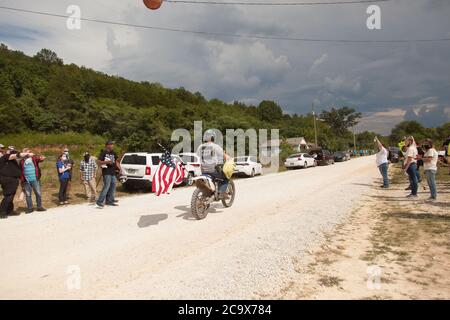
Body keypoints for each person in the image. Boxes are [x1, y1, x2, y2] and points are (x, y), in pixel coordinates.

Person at [0, 147, 34, 218]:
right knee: (8, 196)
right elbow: (16, 155)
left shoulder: (12, 161)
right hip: (8, 179)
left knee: (11, 196)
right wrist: (27, 154)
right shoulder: (5, 157)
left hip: (13, 180)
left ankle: (9, 210)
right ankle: (2, 212)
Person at [196, 130, 231, 200]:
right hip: (213, 170)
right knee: (225, 177)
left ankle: (210, 192)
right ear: (213, 137)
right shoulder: (215, 146)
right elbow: (225, 156)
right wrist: (230, 159)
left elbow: (198, 155)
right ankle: (221, 193)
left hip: (203, 171)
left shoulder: (200, 147)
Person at [20, 148, 46, 213]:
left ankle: (39, 207)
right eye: (26, 152)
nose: (28, 153)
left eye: (29, 152)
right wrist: (22, 180)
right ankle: (30, 208)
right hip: (26, 180)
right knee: (28, 195)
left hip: (35, 179)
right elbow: (20, 171)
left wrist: (41, 158)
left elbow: (39, 159)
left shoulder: (33, 158)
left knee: (38, 193)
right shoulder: (21, 161)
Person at [96, 141, 120, 209]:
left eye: (113, 144)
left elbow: (116, 162)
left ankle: (110, 201)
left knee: (113, 186)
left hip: (113, 172)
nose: (112, 145)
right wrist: (107, 162)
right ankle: (100, 201)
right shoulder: (103, 152)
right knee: (107, 186)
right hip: (106, 172)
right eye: (111, 144)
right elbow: (98, 162)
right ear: (107, 145)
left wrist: (120, 169)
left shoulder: (114, 153)